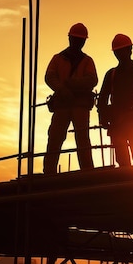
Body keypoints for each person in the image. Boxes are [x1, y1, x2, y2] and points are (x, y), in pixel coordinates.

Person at [43, 23, 98, 174]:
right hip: (63, 105)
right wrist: (62, 89)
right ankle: (49, 172)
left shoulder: (87, 61)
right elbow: (49, 77)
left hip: (79, 105)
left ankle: (87, 171)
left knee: (82, 139)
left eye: (80, 40)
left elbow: (92, 80)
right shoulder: (58, 59)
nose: (78, 42)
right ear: (70, 38)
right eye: (76, 39)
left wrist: (70, 84)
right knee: (55, 137)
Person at [97, 34, 133, 167]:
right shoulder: (111, 74)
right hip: (118, 123)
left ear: (130, 50)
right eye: (118, 52)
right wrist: (103, 118)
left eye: (122, 50)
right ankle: (129, 182)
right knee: (123, 160)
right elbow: (102, 99)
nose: (120, 54)